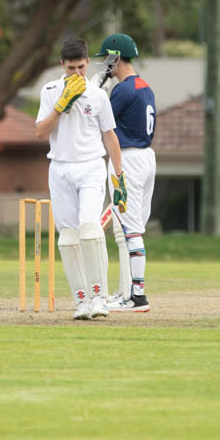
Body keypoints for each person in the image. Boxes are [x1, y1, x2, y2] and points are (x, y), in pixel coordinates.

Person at [36, 37, 126, 320]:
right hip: (60, 168)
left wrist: (119, 177)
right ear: (62, 64)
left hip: (90, 166)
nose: (76, 73)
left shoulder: (98, 95)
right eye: (70, 68)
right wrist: (61, 106)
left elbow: (109, 136)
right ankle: (81, 301)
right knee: (67, 238)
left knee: (89, 229)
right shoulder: (50, 91)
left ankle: (99, 297)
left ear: (88, 63)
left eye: (81, 68)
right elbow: (41, 132)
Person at [92, 33, 155, 312]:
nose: (105, 63)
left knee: (130, 229)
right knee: (132, 228)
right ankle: (129, 292)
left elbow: (99, 122)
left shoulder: (122, 90)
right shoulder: (144, 86)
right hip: (147, 157)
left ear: (115, 57)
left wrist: (95, 91)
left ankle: (137, 296)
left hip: (127, 159)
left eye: (107, 58)